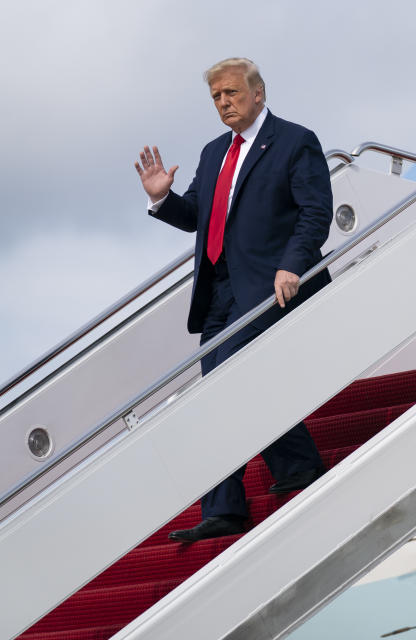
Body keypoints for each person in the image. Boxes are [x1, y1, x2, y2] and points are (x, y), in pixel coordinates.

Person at [135, 57, 331, 542]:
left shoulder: (294, 140)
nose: (224, 103)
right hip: (219, 290)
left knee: (231, 376)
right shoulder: (212, 152)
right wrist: (163, 198)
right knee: (214, 391)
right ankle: (240, 498)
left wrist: (293, 264)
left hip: (269, 284)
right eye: (216, 97)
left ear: (258, 93)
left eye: (232, 93)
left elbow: (315, 211)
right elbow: (196, 215)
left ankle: (286, 474)